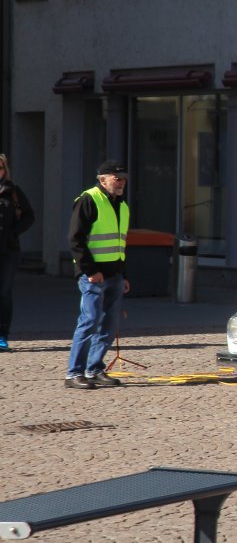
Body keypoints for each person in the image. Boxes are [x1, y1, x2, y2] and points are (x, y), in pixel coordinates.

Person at [66, 160, 132, 390]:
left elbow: (120, 244)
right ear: (103, 179)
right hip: (93, 275)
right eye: (117, 178)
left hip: (114, 274)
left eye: (124, 179)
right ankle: (74, 373)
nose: (121, 182)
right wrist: (90, 271)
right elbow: (75, 239)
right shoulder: (89, 200)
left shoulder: (122, 205)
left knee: (109, 324)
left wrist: (123, 275)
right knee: (90, 321)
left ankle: (94, 369)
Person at [0, 153, 36, 352]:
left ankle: (2, 335)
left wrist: (13, 233)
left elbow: (29, 216)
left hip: (8, 250)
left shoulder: (13, 191)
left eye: (0, 167)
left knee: (3, 293)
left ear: (4, 170)